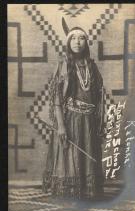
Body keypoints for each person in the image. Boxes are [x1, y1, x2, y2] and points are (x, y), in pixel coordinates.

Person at [42, 26, 105, 200]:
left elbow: (99, 95)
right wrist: (61, 125)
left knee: (88, 156)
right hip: (70, 119)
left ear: (86, 42)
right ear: (68, 42)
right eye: (73, 38)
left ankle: (85, 191)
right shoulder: (63, 65)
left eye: (81, 38)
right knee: (70, 156)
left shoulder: (92, 66)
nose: (77, 42)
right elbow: (56, 98)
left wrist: (101, 120)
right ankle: (69, 193)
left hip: (89, 121)